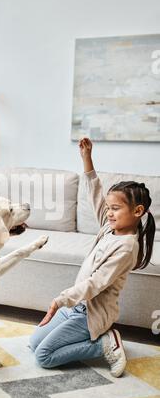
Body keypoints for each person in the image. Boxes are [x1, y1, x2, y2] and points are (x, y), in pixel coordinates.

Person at [29, 138, 156, 377]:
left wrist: (60, 300)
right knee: (34, 342)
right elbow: (96, 193)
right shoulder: (109, 227)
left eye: (115, 208)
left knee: (43, 356)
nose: (109, 212)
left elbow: (96, 284)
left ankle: (105, 343)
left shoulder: (127, 247)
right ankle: (94, 339)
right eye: (108, 208)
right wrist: (87, 158)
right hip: (76, 307)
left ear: (138, 212)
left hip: (91, 314)